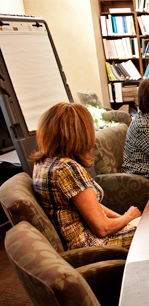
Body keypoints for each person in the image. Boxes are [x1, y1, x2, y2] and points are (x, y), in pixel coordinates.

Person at [31, 102, 141, 250]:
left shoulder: (43, 163)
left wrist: (124, 219)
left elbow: (91, 206)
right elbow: (102, 229)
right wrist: (128, 217)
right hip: (90, 244)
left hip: (84, 239)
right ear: (80, 134)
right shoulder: (67, 169)